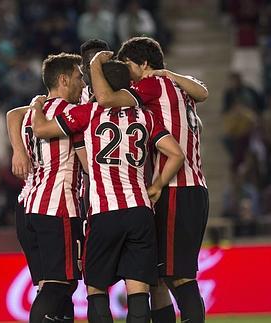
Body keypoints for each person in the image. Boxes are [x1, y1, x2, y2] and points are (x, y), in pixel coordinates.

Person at [31, 60, 184, 323]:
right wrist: (157, 185)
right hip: (139, 210)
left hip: (104, 213)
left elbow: (41, 129)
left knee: (97, 292)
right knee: (138, 294)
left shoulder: (90, 112)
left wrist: (36, 106)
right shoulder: (145, 116)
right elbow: (176, 153)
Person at [90, 37, 209, 323]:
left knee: (178, 276)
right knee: (156, 275)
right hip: (195, 187)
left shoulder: (151, 85)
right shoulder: (180, 88)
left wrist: (95, 65)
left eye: (128, 65)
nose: (125, 72)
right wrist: (169, 73)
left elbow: (106, 99)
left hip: (175, 187)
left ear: (144, 64)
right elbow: (203, 92)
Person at [6, 52, 87, 323]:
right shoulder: (71, 113)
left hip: (28, 206)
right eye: (79, 78)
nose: (83, 84)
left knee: (50, 285)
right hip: (58, 206)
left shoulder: (32, 113)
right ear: (63, 80)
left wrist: (18, 149)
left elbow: (11, 115)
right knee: (60, 285)